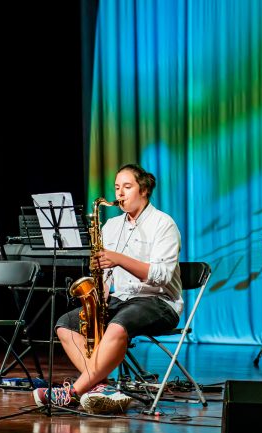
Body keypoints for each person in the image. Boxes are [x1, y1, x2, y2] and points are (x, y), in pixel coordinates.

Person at [32, 163, 183, 414]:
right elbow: (107, 274)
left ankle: (72, 392)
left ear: (143, 190)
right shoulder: (111, 226)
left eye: (127, 187)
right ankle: (100, 386)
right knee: (66, 324)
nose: (120, 194)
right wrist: (96, 300)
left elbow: (162, 276)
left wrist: (118, 258)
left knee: (117, 325)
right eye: (116, 187)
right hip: (121, 299)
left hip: (158, 302)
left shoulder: (163, 224)